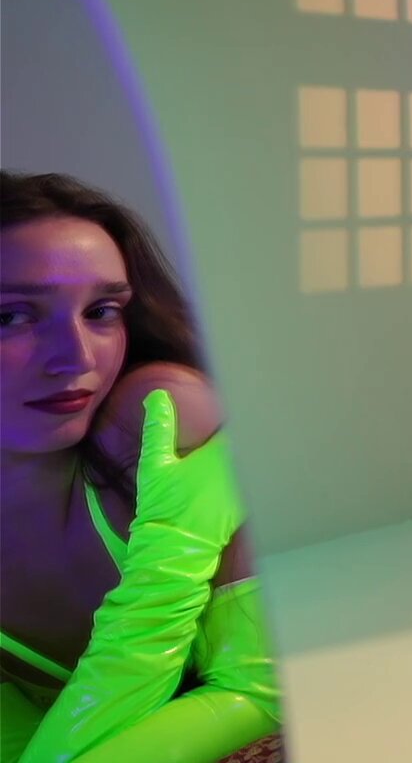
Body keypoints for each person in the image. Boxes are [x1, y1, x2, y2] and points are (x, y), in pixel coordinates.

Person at [0, 171, 279, 762]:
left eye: (102, 311)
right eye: (12, 317)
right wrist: (166, 559)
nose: (76, 357)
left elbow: (262, 688)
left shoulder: (156, 416)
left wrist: (165, 562)